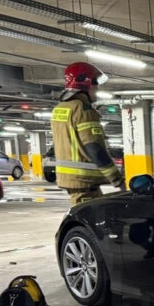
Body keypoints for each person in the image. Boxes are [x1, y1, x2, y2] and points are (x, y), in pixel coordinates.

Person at [51, 62, 123, 205]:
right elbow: (94, 147)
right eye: (95, 82)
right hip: (83, 180)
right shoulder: (84, 110)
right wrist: (117, 179)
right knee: (87, 221)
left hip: (71, 179)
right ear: (85, 83)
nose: (97, 88)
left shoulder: (60, 109)